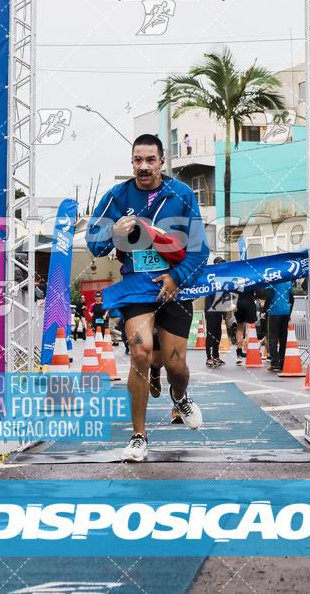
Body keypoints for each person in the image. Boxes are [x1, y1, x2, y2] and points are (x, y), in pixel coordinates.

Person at [86, 133, 209, 461]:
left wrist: (176, 277)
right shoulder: (116, 196)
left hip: (174, 288)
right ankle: (139, 435)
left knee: (177, 367)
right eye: (137, 160)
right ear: (132, 162)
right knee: (140, 351)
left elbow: (200, 250)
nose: (143, 166)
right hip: (137, 289)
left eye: (150, 160)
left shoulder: (180, 194)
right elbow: (94, 243)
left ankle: (179, 396)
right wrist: (113, 233)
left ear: (162, 162)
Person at [261, 280, 294, 371]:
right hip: (285, 311)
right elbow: (292, 298)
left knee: (272, 337)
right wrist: (289, 313)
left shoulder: (271, 280)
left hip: (274, 311)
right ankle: (282, 361)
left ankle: (275, 362)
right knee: (283, 337)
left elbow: (269, 296)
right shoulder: (288, 281)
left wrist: (264, 310)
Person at [204, 256, 229, 367]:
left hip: (219, 311)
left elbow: (225, 293)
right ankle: (209, 358)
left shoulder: (223, 277)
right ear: (214, 264)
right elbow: (215, 293)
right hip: (211, 309)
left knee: (218, 334)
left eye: (222, 263)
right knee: (211, 334)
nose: (221, 265)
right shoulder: (210, 277)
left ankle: (216, 356)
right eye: (219, 263)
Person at [233, 288, 258, 365]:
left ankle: (239, 353)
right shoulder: (251, 277)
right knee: (249, 329)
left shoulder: (236, 279)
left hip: (238, 304)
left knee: (240, 329)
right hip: (249, 303)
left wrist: (232, 304)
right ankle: (249, 351)